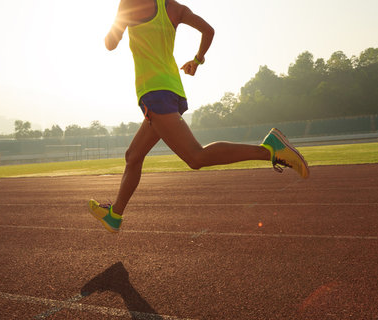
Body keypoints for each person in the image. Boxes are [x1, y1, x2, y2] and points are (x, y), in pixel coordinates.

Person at [89, 0, 309, 233]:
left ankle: (270, 150)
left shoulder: (128, 4)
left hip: (155, 93)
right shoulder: (172, 7)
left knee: (196, 157)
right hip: (171, 90)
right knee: (133, 156)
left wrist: (120, 19)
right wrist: (197, 60)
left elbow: (110, 44)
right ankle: (115, 215)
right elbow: (208, 30)